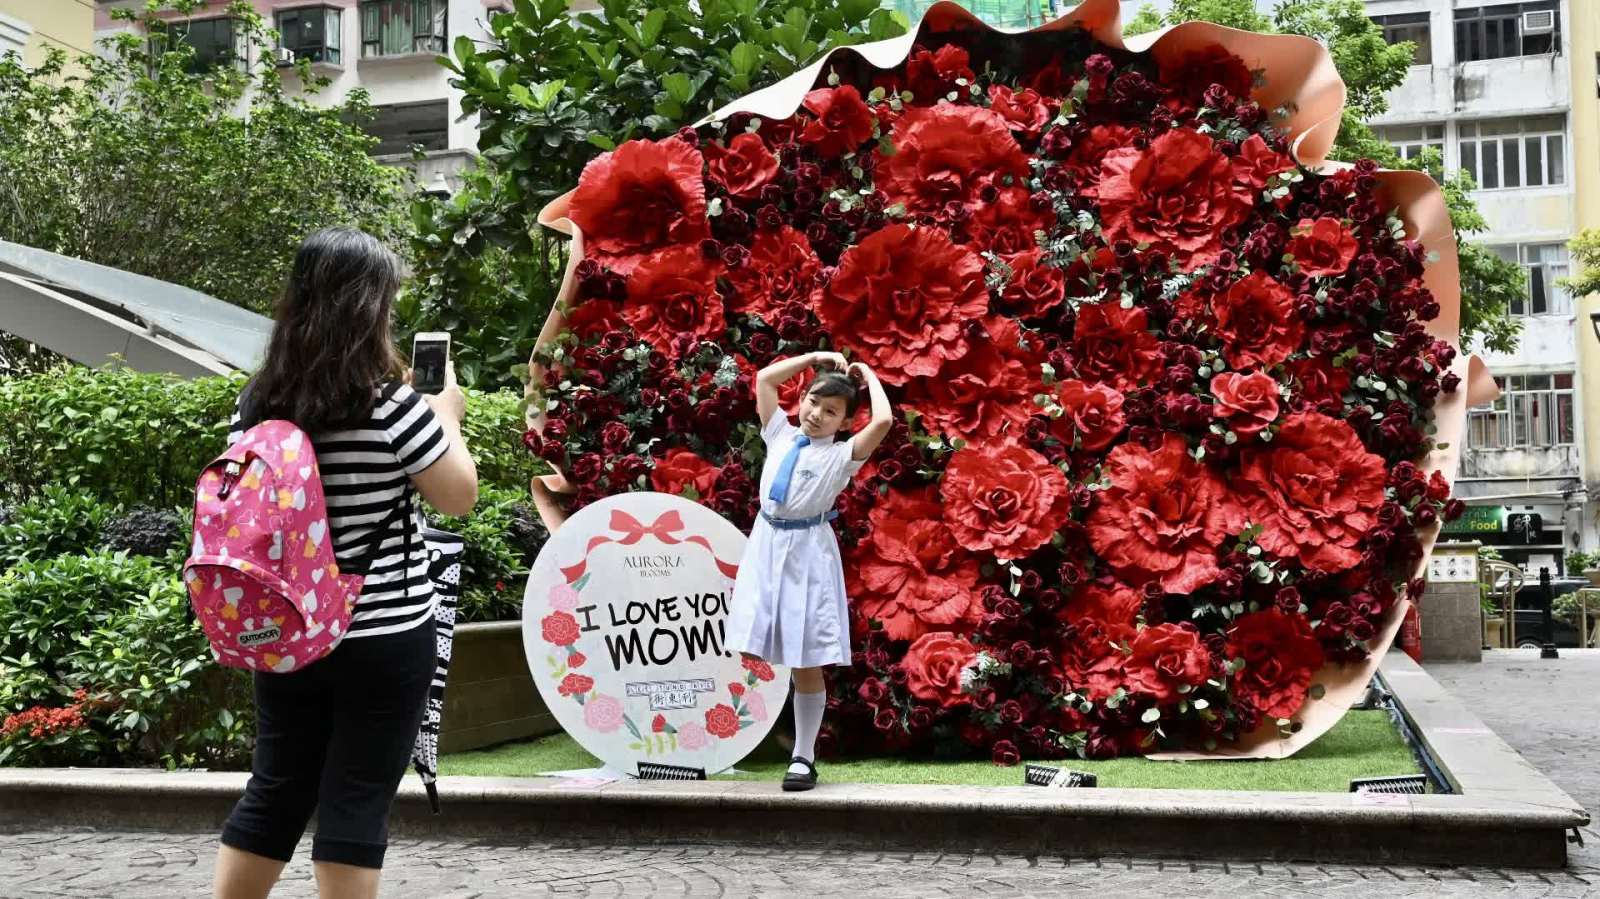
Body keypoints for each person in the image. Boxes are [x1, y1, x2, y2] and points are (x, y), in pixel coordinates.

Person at [213, 228, 478, 899]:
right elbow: (458, 497)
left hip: (286, 633)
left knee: (275, 789)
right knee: (355, 799)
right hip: (383, 634)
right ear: (369, 310)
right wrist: (446, 417)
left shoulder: (255, 402)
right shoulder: (390, 407)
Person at [724, 351, 892, 791]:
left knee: (805, 657)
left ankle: (803, 756)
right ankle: (745, 735)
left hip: (806, 554)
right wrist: (815, 359)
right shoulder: (780, 433)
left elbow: (884, 422)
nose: (818, 414)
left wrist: (867, 375)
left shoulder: (840, 456)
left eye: (832, 411)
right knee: (755, 643)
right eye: (814, 402)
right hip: (766, 545)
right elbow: (763, 379)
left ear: (844, 422)